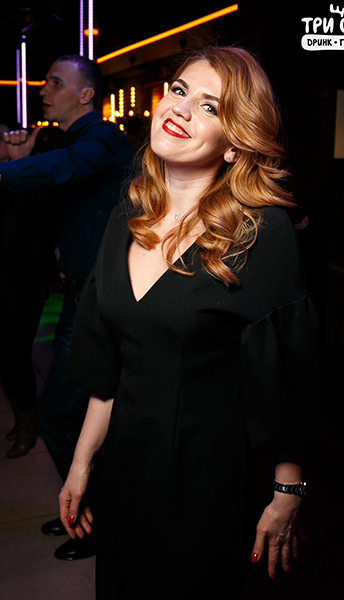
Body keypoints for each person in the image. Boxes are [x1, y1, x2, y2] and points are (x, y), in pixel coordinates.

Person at [59, 46, 330, 598]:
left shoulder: (261, 233)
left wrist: (287, 494)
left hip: (203, 486)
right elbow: (108, 370)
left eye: (210, 107)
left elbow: (287, 388)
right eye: (180, 91)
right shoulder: (126, 216)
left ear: (234, 142)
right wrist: (82, 463)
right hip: (125, 471)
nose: (180, 109)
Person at [0, 55, 133, 559]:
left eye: (54, 82)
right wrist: (20, 161)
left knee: (58, 414)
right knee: (71, 413)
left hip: (99, 300)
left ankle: (91, 520)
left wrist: (10, 168)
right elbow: (49, 201)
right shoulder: (71, 143)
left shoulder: (101, 138)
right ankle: (86, 512)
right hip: (81, 295)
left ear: (86, 95)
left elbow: (70, 168)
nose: (42, 90)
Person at [0, 121, 50, 459]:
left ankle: (27, 426)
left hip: (23, 288)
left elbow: (40, 217)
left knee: (17, 358)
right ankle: (21, 419)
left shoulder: (27, 180)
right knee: (5, 360)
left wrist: (21, 162)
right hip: (5, 285)